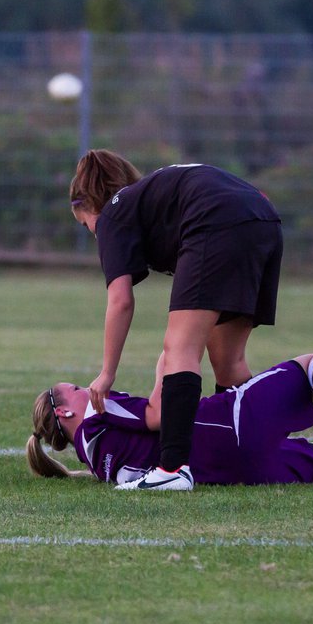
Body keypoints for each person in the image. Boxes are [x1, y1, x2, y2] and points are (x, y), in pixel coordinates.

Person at [68, 150, 285, 492]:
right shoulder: (150, 199)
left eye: (86, 225)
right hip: (263, 218)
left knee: (179, 349)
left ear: (91, 204)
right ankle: (255, 452)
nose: (95, 234)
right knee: (229, 363)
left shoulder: (112, 212)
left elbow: (120, 300)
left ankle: (172, 468)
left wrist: (107, 372)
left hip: (216, 221)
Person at [26, 351, 313, 486]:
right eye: (78, 389)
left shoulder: (93, 459)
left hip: (230, 473)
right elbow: (159, 414)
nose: (89, 388)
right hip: (224, 429)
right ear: (65, 409)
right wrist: (171, 357)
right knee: (309, 364)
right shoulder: (96, 418)